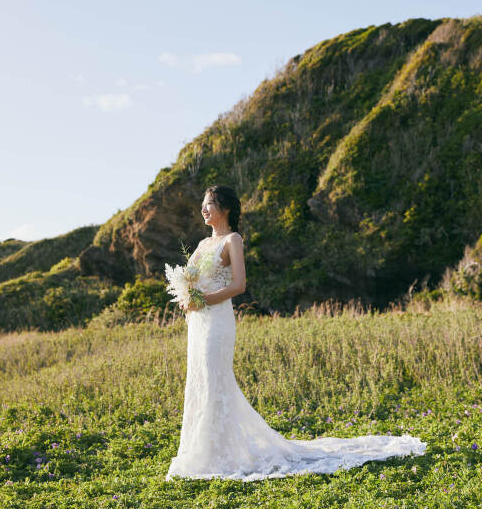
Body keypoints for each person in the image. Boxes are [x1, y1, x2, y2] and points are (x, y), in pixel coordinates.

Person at [165, 184, 426, 482]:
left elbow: (239, 285)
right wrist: (188, 296)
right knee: (200, 379)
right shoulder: (200, 245)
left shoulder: (233, 240)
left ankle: (219, 453)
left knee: (216, 380)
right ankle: (204, 450)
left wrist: (205, 300)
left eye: (209, 203)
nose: (203, 209)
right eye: (203, 204)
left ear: (224, 208)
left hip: (218, 321)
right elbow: (190, 278)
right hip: (198, 324)